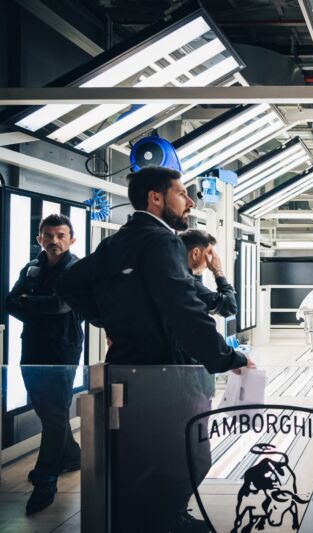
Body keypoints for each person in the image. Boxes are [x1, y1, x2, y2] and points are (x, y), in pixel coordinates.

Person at [56, 166, 254, 533]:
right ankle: (168, 520)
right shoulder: (161, 241)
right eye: (182, 193)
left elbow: (69, 283)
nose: (190, 201)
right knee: (189, 455)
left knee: (144, 455)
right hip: (169, 375)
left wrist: (115, 322)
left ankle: (157, 518)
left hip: (126, 372)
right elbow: (184, 308)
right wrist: (229, 358)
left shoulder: (118, 241)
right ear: (156, 197)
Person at [6, 214, 83, 514]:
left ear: (71, 239)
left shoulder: (76, 270)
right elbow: (10, 302)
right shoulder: (32, 268)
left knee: (53, 414)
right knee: (48, 410)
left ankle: (46, 481)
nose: (54, 240)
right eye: (48, 235)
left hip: (64, 351)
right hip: (32, 349)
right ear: (39, 238)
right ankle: (72, 456)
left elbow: (63, 305)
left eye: (60, 235)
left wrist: (31, 303)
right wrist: (40, 305)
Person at [179, 229, 237, 317]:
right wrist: (218, 271)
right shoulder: (187, 283)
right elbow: (229, 308)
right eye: (209, 254)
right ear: (195, 253)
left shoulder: (171, 273)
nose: (210, 261)